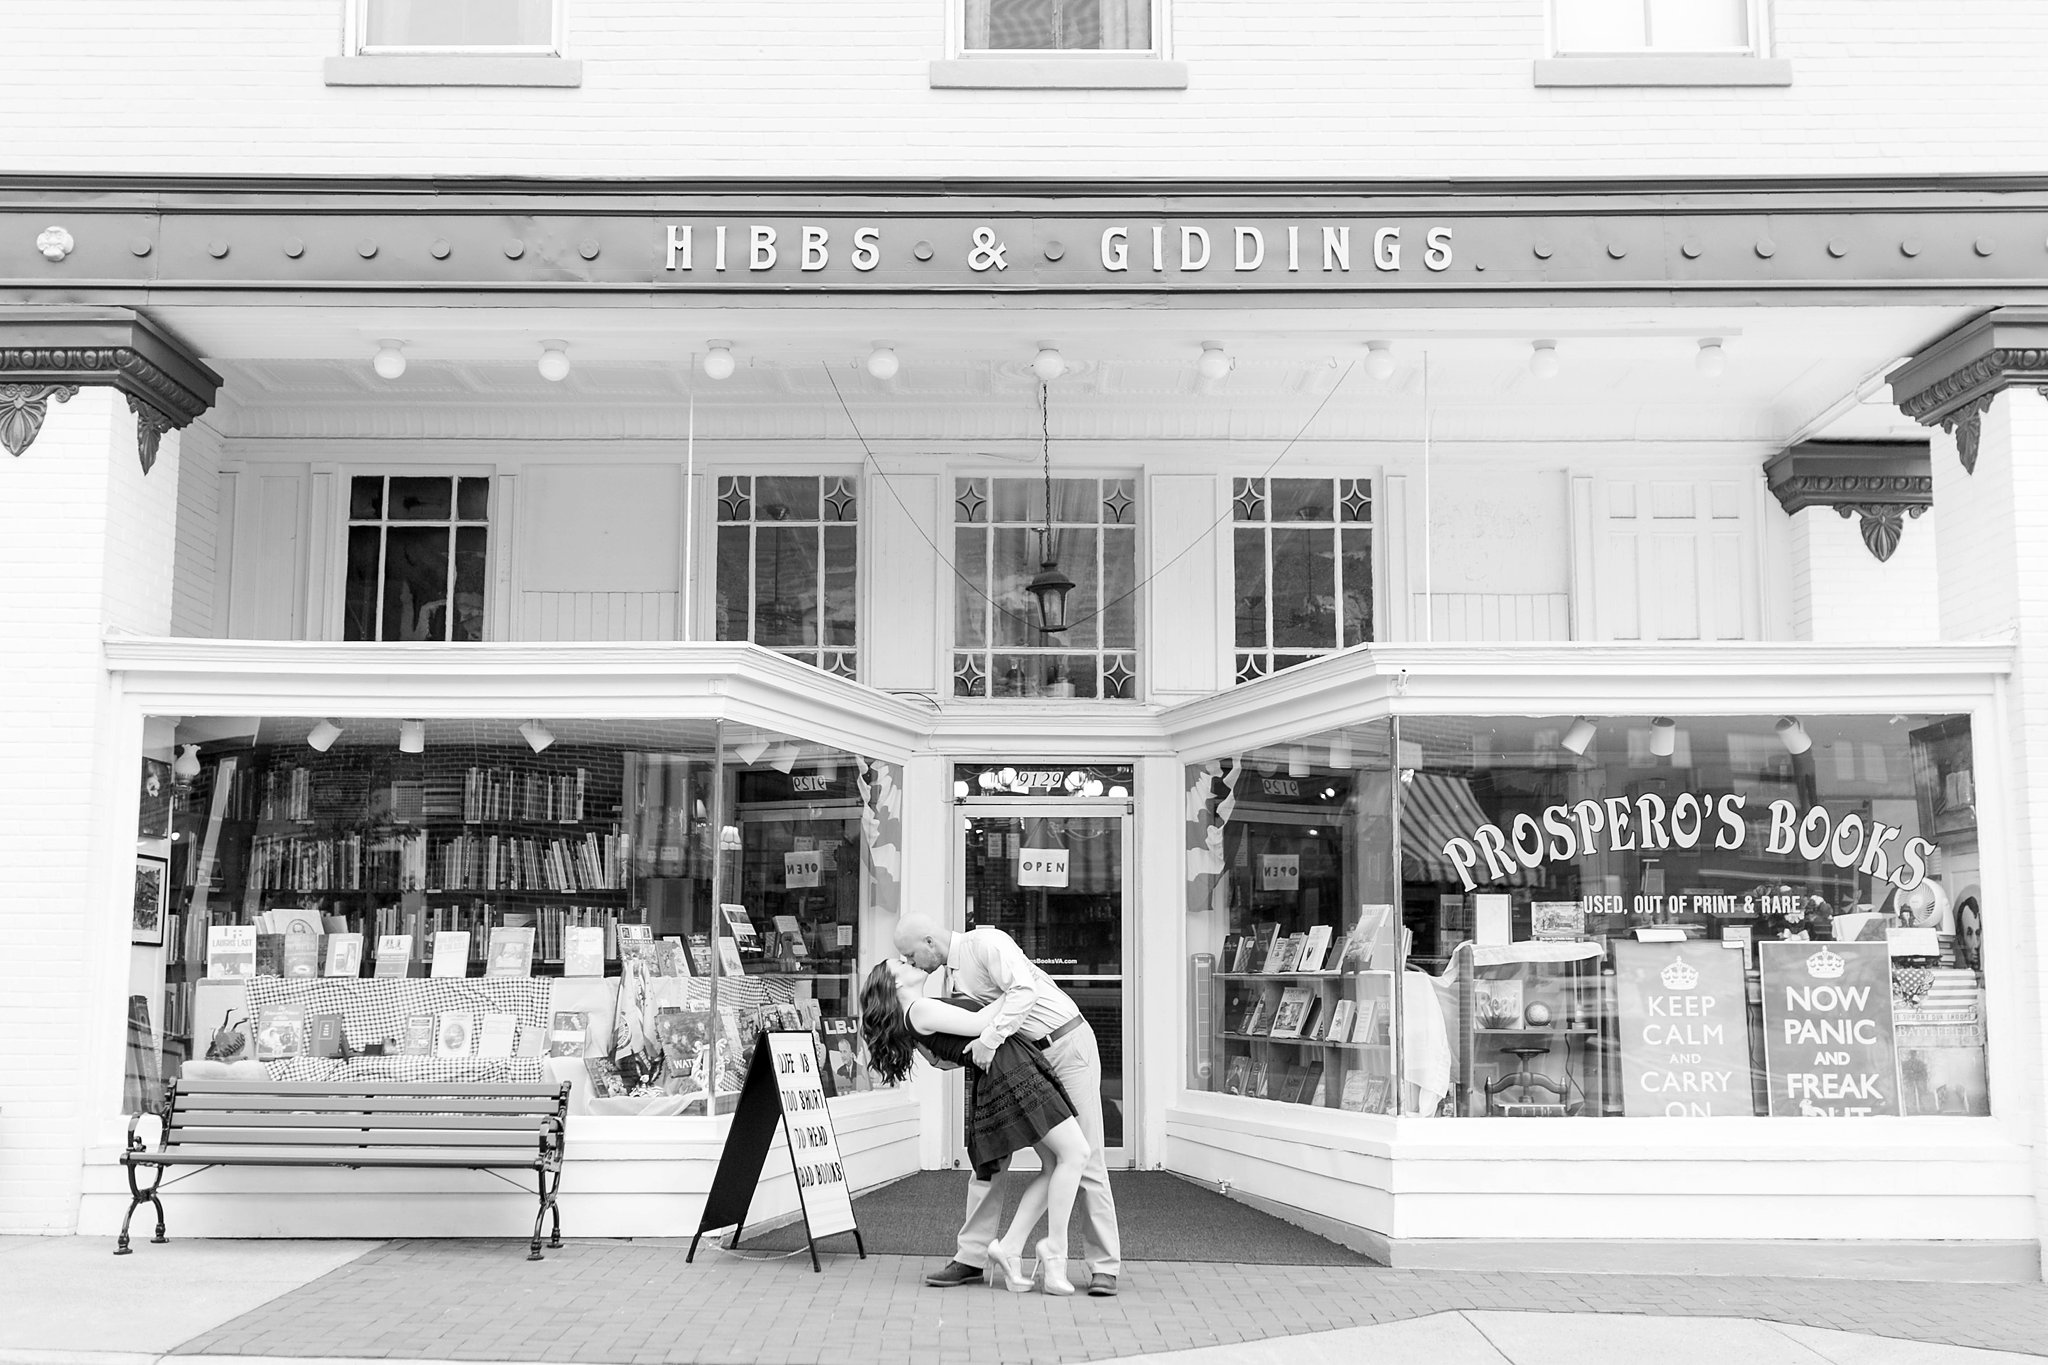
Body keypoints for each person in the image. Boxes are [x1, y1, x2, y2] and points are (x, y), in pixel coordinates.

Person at [894, 913, 1121, 1297]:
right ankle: (974, 1256)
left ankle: (1103, 1266)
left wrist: (990, 1039)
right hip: (1025, 1060)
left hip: (1065, 1044)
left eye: (910, 953)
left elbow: (1023, 991)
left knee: (1085, 1157)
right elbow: (968, 1034)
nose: (910, 962)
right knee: (994, 1158)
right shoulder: (950, 979)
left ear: (929, 941)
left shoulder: (986, 943)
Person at [859, 959, 1089, 1294]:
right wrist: (1023, 983)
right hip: (1011, 1074)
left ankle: (1012, 1248)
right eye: (902, 963)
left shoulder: (923, 1010)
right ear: (894, 984)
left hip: (1010, 1069)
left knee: (1058, 1164)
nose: (910, 961)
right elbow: (981, 1021)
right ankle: (1048, 1251)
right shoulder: (919, 1010)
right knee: (1077, 1154)